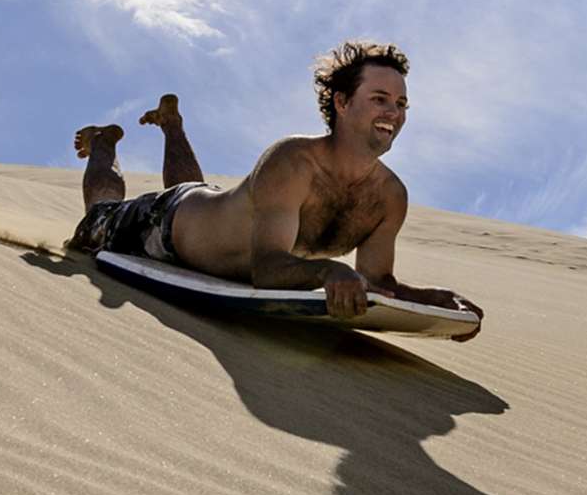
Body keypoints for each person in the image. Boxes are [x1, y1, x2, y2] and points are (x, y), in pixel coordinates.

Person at [67, 40, 484, 341]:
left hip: (206, 208)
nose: (393, 112)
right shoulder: (293, 161)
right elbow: (266, 268)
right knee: (98, 216)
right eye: (379, 98)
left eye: (401, 103)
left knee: (193, 188)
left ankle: (172, 126)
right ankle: (104, 142)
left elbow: (376, 282)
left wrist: (430, 301)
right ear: (341, 102)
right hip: (164, 225)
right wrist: (328, 271)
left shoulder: (390, 197)